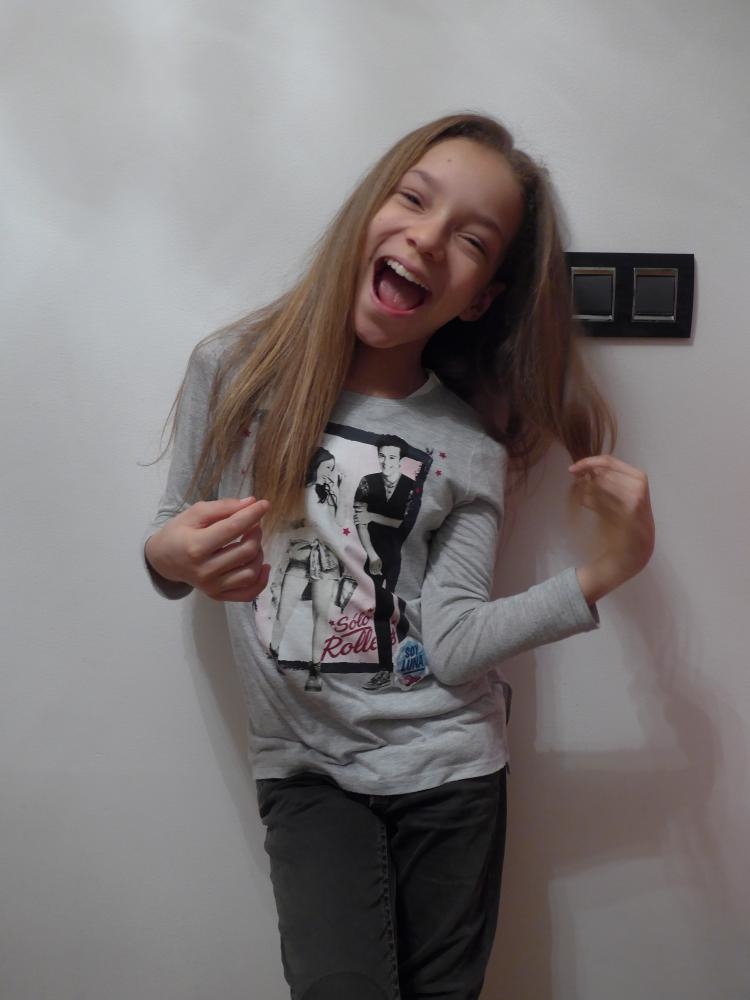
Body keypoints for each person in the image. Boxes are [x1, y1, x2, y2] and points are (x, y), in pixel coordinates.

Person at [144, 113, 655, 1000]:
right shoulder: (234, 370)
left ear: (481, 298)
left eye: (472, 240)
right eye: (414, 199)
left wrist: (610, 569)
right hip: (306, 770)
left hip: (453, 772)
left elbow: (452, 643)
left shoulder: (469, 446)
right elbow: (165, 534)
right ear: (369, 210)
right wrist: (176, 556)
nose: (427, 237)